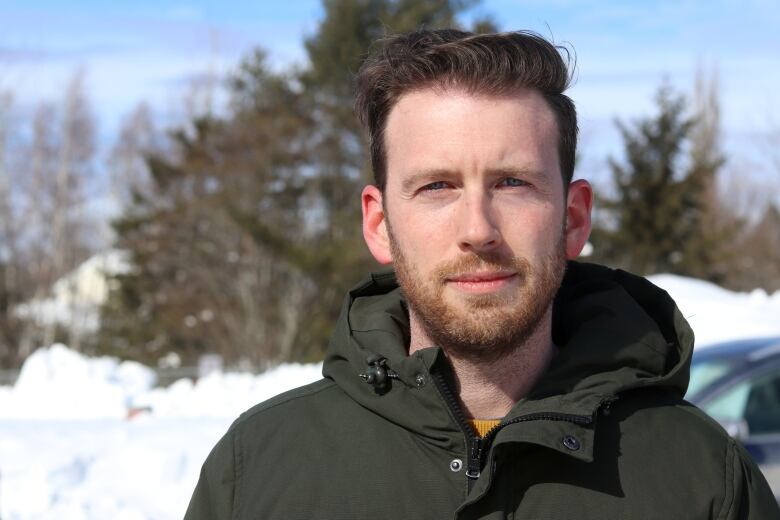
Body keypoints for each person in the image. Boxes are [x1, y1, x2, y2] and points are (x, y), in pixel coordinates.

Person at [184, 29, 779, 519]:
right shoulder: (255, 473)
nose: (478, 228)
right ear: (380, 224)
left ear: (573, 220)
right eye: (436, 186)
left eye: (513, 183)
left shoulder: (704, 480)